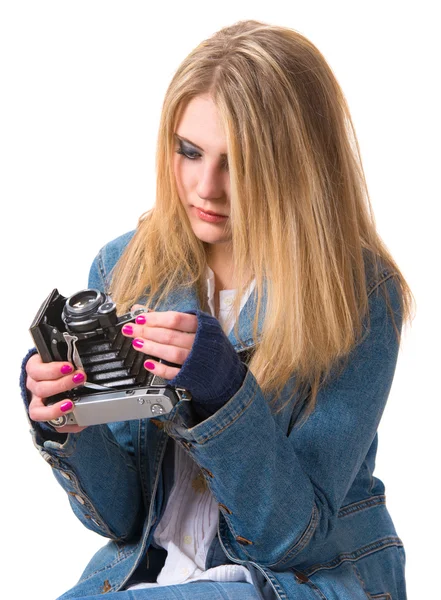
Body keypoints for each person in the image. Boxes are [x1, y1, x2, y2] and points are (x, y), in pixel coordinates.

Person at [20, 19, 413, 600]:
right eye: (191, 151)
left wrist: (225, 394)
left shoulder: (356, 292)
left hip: (293, 581)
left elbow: (291, 537)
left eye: (240, 162)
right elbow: (124, 522)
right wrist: (65, 423)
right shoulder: (125, 268)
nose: (207, 187)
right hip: (152, 579)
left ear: (296, 166)